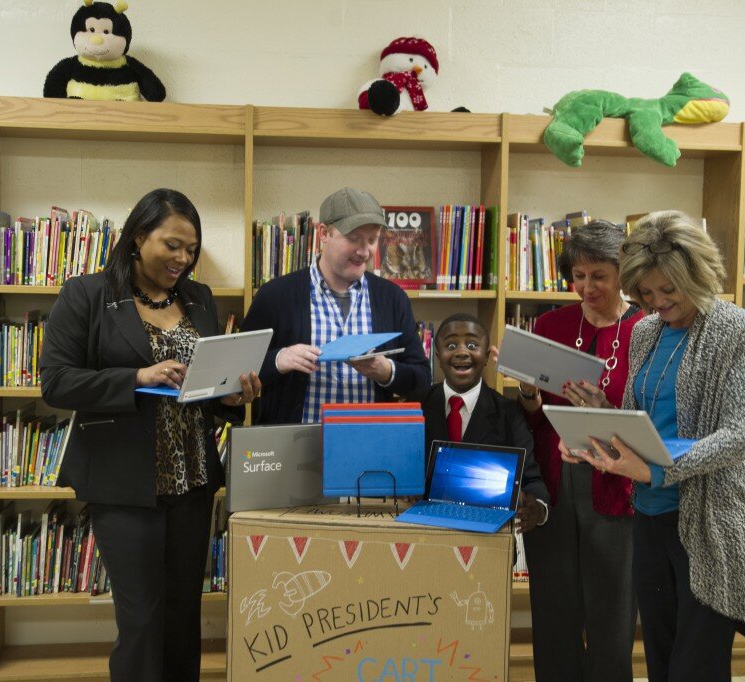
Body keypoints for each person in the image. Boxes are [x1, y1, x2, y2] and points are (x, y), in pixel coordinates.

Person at [39, 188, 260, 682]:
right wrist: (136, 378)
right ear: (139, 237)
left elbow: (202, 385)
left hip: (194, 480)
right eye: (172, 245)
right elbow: (56, 381)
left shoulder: (199, 298)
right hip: (124, 484)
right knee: (141, 619)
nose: (183, 258)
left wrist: (229, 397)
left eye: (191, 248)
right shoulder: (88, 294)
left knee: (183, 612)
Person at [564, 210, 745, 681]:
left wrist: (657, 469)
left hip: (713, 524)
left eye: (667, 291)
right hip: (650, 519)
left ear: (696, 275)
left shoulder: (738, 331)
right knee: (659, 662)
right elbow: (643, 423)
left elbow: (738, 436)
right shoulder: (645, 330)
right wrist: (604, 417)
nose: (656, 303)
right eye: (645, 293)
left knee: (693, 670)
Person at [517, 220, 644, 682]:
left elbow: (651, 420)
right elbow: (533, 420)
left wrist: (607, 410)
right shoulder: (550, 324)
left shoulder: (645, 332)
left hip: (614, 488)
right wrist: (529, 395)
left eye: (599, 276)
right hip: (554, 486)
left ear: (622, 272)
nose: (586, 287)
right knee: (553, 614)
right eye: (578, 275)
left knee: (611, 618)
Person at [242, 187, 430, 424]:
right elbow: (236, 371)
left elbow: (423, 379)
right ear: (323, 233)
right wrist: (279, 359)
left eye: (372, 240)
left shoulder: (392, 298)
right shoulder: (276, 295)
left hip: (369, 447)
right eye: (353, 239)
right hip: (294, 449)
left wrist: (386, 371)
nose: (364, 252)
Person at [413, 313, 549, 528]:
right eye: (450, 346)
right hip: (424, 530)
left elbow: (532, 481)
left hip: (486, 535)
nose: (461, 352)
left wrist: (538, 509)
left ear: (486, 356)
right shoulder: (415, 408)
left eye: (472, 345)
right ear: (437, 356)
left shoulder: (509, 413)